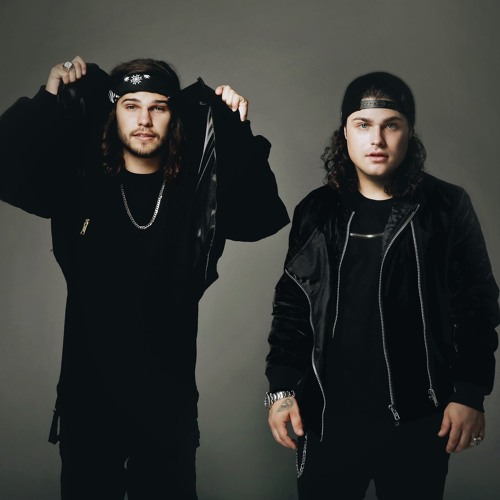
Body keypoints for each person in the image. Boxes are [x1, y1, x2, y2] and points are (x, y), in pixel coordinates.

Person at [0, 56, 289, 499]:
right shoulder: (79, 183)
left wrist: (235, 129)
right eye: (131, 105)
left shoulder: (197, 193)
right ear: (113, 112)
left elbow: (262, 216)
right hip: (87, 404)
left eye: (158, 107)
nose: (144, 120)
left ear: (174, 116)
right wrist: (48, 98)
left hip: (167, 410)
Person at [265, 71, 499, 499]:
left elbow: (477, 305)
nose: (377, 139)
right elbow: (292, 307)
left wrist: (470, 394)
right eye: (363, 125)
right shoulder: (316, 210)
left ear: (409, 132)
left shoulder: (446, 206)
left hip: (419, 419)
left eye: (391, 125)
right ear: (345, 133)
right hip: (328, 420)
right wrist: (280, 389)